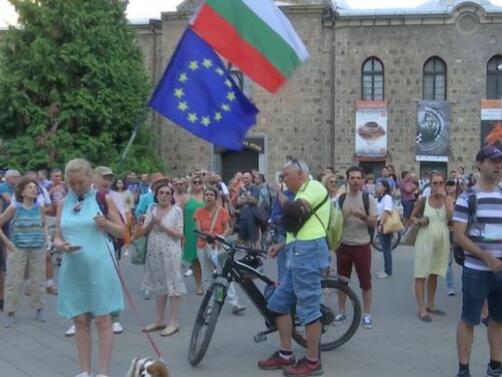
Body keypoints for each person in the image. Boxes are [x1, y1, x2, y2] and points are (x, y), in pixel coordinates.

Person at [258, 159, 330, 376]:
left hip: (308, 253)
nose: (284, 180)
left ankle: (312, 361)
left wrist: (277, 193)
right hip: (297, 251)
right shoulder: (300, 192)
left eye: (286, 176)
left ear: (300, 174)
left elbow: (294, 210)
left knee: (308, 307)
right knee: (279, 303)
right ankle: (285, 354)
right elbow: (300, 227)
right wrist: (281, 245)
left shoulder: (314, 187)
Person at [54, 158, 124, 377]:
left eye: (81, 182)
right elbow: (57, 236)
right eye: (72, 183)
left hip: (100, 265)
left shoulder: (103, 199)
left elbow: (122, 232)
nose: (76, 187)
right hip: (74, 268)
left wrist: (107, 224)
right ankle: (85, 371)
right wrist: (61, 245)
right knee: (80, 319)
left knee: (103, 319)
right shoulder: (63, 203)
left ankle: (103, 372)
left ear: (90, 178)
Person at [453, 145, 502, 377]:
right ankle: (464, 368)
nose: (498, 166)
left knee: (499, 319)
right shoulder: (467, 198)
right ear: (479, 164)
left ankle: (495, 365)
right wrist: (486, 257)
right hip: (476, 270)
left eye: (500, 162)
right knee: (469, 319)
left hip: (500, 270)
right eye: (493, 161)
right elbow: (459, 235)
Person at [0, 177, 48, 327]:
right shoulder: (15, 208)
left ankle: (39, 309)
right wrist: (8, 243)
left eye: (35, 187)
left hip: (37, 248)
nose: (33, 189)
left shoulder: (39, 206)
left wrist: (45, 239)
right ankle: (10, 312)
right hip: (18, 248)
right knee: (13, 281)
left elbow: (44, 223)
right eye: (29, 187)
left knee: (38, 279)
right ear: (22, 191)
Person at [139, 182, 185, 337]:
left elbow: (179, 234)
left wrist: (162, 225)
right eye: (161, 193)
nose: (164, 195)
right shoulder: (151, 209)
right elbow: (144, 232)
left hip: (171, 250)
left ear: (172, 196)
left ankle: (173, 321)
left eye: (167, 193)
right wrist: (151, 222)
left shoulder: (177, 211)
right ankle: (158, 319)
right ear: (156, 195)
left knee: (173, 283)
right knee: (159, 284)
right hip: (154, 249)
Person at [336, 166, 377, 329]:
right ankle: (341, 311)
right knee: (341, 281)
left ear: (362, 181)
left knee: (365, 281)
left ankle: (366, 314)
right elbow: (335, 223)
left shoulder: (368, 199)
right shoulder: (341, 199)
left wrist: (363, 216)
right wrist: (344, 217)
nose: (355, 181)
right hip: (344, 246)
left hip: (362, 246)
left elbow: (374, 222)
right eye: (352, 178)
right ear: (347, 180)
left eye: (358, 178)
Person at [410, 171, 453, 322]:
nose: (438, 186)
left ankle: (431, 303)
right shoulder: (423, 200)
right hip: (425, 240)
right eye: (435, 183)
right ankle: (422, 308)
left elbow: (452, 218)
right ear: (430, 184)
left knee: (434, 272)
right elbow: (412, 217)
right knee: (421, 273)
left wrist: (446, 201)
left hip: (442, 241)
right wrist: (418, 221)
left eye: (441, 183)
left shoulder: (447, 200)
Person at [194, 187, 245, 314]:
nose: (209, 197)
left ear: (216, 198)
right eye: (207, 195)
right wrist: (207, 238)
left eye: (211, 195)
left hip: (219, 245)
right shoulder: (199, 212)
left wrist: (218, 237)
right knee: (207, 276)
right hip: (203, 245)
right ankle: (211, 304)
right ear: (204, 197)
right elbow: (198, 230)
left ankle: (234, 303)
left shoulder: (222, 211)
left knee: (224, 273)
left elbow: (228, 228)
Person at [183, 175, 204, 295]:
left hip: (206, 232)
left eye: (199, 181)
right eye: (194, 181)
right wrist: (183, 236)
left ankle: (208, 282)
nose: (197, 183)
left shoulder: (208, 195)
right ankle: (199, 285)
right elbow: (181, 217)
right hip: (190, 232)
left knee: (209, 260)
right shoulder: (186, 198)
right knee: (195, 260)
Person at [236, 172, 261, 247]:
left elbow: (254, 201)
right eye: (243, 178)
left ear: (251, 178)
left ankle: (255, 253)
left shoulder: (254, 188)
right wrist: (247, 199)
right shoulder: (242, 189)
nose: (244, 180)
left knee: (253, 238)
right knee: (243, 239)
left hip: (252, 216)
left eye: (246, 178)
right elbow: (238, 202)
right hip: (243, 215)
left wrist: (245, 193)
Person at [375, 180, 394, 279]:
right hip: (380, 222)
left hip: (385, 223)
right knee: (384, 247)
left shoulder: (387, 197)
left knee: (386, 248)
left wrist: (381, 224)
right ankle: (386, 269)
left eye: (379, 185)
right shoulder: (380, 198)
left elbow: (387, 211)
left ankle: (388, 271)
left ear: (385, 187)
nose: (377, 187)